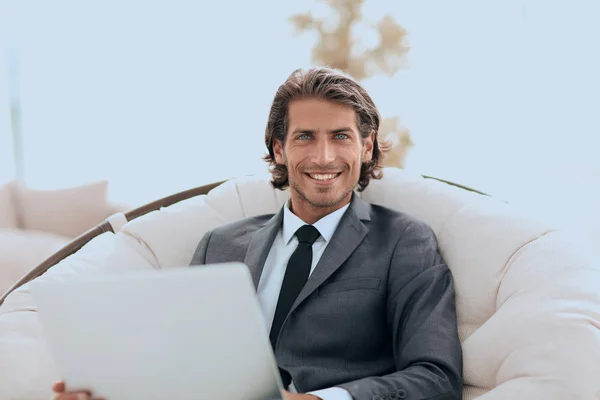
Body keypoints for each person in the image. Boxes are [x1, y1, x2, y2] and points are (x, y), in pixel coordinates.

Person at [52, 67, 462, 400]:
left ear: (367, 147)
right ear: (279, 149)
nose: (324, 157)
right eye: (305, 137)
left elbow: (436, 377)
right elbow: (185, 366)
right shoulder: (220, 245)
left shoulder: (404, 241)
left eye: (341, 137)